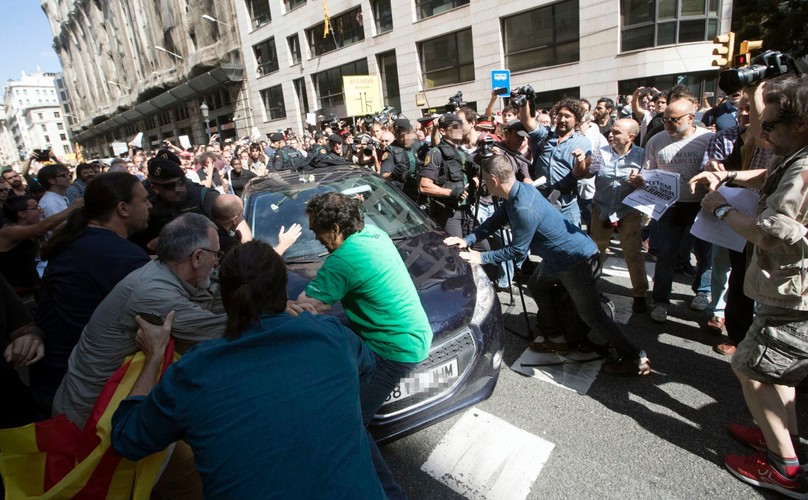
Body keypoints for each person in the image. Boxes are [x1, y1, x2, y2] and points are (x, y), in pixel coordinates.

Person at [109, 241, 385, 498]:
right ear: (283, 288)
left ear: (226, 296)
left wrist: (154, 357)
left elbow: (127, 438)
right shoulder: (331, 337)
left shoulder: (195, 372)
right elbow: (367, 365)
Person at [688, 75, 808, 498]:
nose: (763, 133)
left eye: (771, 126)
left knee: (750, 366)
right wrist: (731, 177)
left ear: (802, 123)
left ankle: (785, 468)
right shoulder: (794, 154)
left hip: (794, 294)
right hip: (785, 288)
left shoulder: (804, 165)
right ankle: (781, 438)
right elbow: (769, 174)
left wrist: (720, 209)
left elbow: (770, 234)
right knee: (778, 369)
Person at [445, 155, 649, 376]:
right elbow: (496, 219)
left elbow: (517, 251)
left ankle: (634, 356)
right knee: (537, 286)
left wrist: (481, 258)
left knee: (592, 315)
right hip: (558, 258)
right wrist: (469, 240)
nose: (484, 184)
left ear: (494, 181)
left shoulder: (523, 207)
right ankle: (557, 339)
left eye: (485, 180)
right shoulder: (517, 191)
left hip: (575, 260)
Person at [288, 192, 432, 500]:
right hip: (410, 330)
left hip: (394, 347)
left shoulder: (344, 260)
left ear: (337, 229)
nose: (316, 238)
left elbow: (307, 306)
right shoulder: (372, 232)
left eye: (318, 231)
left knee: (350, 422)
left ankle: (390, 494)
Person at [53, 213, 227, 430]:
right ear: (198, 257)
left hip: (104, 403)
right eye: (215, 254)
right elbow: (224, 331)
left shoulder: (163, 272)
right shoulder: (153, 292)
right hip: (90, 417)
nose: (217, 261)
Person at [31, 173, 152, 409]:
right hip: (88, 392)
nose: (149, 205)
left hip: (55, 380)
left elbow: (45, 312)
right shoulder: (122, 257)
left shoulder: (74, 242)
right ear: (123, 208)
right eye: (145, 199)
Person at [639, 96, 714, 323]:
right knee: (666, 255)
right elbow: (648, 170)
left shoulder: (708, 138)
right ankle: (661, 301)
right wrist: (640, 180)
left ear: (691, 118)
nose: (668, 124)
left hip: (701, 205)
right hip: (669, 206)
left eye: (674, 120)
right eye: (665, 120)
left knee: (704, 252)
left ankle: (703, 290)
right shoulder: (656, 140)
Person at [574, 118, 649, 313]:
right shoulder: (601, 153)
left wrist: (642, 182)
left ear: (631, 137)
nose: (611, 135)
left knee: (632, 253)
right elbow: (582, 175)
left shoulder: (642, 156)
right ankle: (589, 287)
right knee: (596, 250)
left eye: (616, 132)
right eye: (611, 131)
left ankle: (640, 294)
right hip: (602, 209)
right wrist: (581, 161)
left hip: (628, 211)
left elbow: (651, 184)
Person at [521, 97, 592, 226]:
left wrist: (580, 160)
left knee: (571, 242)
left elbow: (580, 174)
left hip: (567, 203)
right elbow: (527, 121)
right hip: (540, 199)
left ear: (576, 119)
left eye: (567, 116)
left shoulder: (582, 142)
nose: (562, 120)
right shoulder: (544, 135)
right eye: (560, 115)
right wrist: (524, 102)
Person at [0, 196, 81, 308]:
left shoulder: (30, 234)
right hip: (19, 297)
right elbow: (42, 227)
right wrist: (73, 208)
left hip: (34, 291)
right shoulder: (8, 232)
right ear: (22, 214)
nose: (41, 210)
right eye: (35, 208)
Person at [419, 112, 477, 237]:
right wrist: (451, 192)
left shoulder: (462, 153)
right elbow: (424, 186)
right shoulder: (436, 153)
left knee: (483, 246)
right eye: (455, 127)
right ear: (443, 131)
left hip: (467, 210)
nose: (459, 130)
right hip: (449, 213)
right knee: (456, 250)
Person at [380, 118, 423, 202]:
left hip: (420, 193)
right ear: (396, 135)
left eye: (408, 134)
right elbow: (383, 176)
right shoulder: (391, 150)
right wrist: (393, 174)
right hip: (403, 195)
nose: (406, 138)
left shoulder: (418, 145)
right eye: (402, 136)